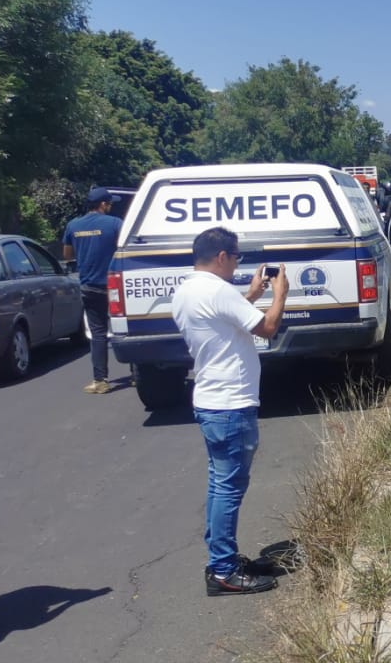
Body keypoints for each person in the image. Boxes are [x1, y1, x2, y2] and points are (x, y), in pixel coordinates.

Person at [171, 227, 287, 596]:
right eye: (236, 256)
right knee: (229, 488)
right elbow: (267, 328)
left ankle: (223, 559)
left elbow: (224, 319)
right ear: (221, 256)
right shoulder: (217, 290)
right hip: (230, 403)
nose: (238, 262)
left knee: (220, 484)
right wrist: (280, 295)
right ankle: (222, 569)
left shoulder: (188, 289)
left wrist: (253, 294)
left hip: (211, 399)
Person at [63, 187, 124, 394]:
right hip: (114, 285)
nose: (111, 206)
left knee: (98, 332)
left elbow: (68, 254)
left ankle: (100, 380)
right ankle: (136, 374)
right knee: (126, 328)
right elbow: (124, 248)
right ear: (103, 205)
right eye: (109, 203)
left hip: (89, 285)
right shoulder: (115, 223)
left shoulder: (73, 225)